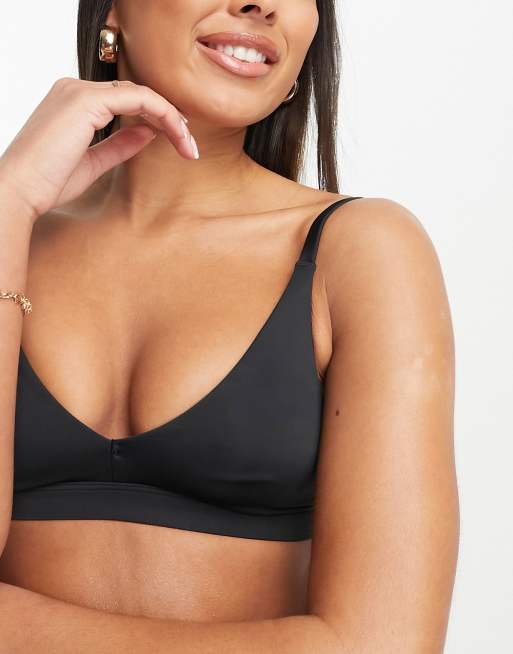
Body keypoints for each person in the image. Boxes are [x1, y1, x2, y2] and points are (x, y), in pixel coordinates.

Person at [0, 0, 459, 651]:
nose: (262, 4)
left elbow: (385, 644)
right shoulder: (9, 234)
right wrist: (9, 204)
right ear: (112, 11)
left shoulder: (361, 252)